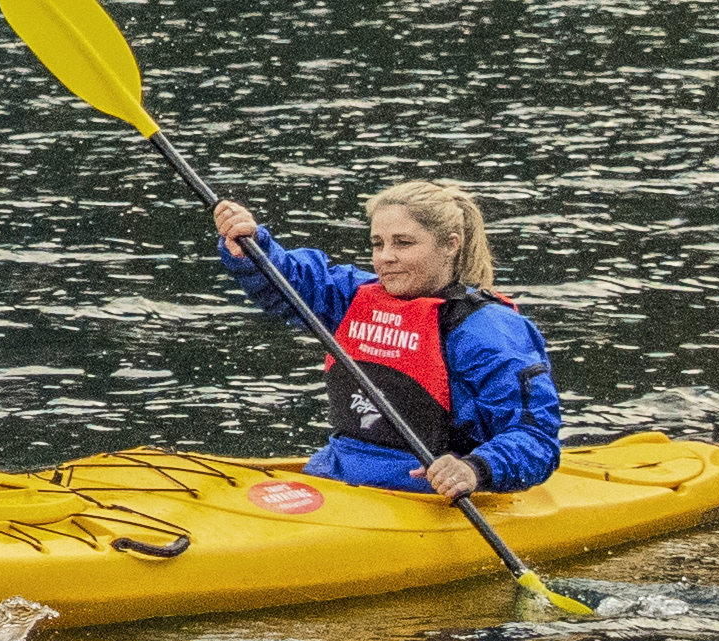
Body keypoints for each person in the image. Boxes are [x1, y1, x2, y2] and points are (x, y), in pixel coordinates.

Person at [209, 178, 563, 512]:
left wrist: (473, 469)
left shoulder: (489, 330)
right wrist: (251, 246)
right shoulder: (353, 296)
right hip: (337, 471)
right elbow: (292, 280)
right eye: (378, 243)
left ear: (450, 244)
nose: (385, 257)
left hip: (425, 496)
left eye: (403, 243)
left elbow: (536, 439)